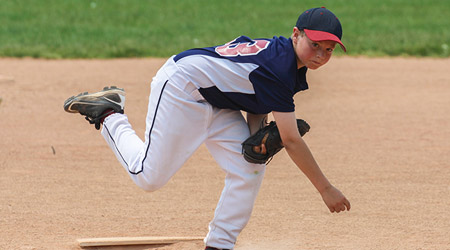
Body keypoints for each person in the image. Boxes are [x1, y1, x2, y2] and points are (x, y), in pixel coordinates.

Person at [64, 7, 351, 250]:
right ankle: (108, 112)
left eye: (328, 50)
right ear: (296, 34)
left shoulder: (284, 59)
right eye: (315, 44)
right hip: (182, 87)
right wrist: (325, 189)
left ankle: (219, 244)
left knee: (249, 165)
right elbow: (291, 140)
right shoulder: (280, 68)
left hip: (217, 98)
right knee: (147, 175)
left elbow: (256, 97)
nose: (321, 55)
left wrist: (256, 134)